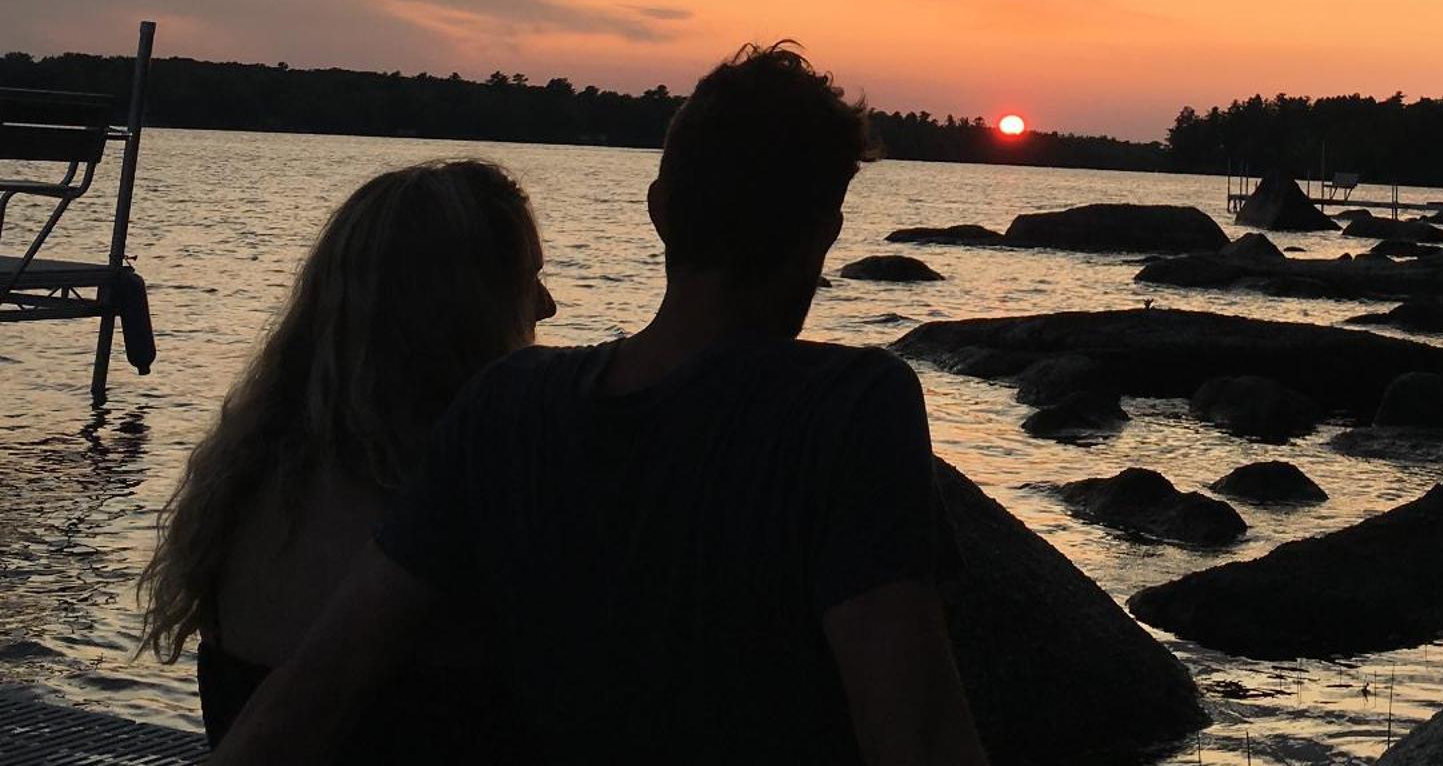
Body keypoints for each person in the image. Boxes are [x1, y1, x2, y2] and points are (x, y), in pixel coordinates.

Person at [212, 43, 987, 765]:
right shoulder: (849, 407)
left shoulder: (503, 403)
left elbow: (323, 679)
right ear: (826, 232)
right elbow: (916, 733)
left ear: (658, 209)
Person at [137, 159, 557, 761]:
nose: (548, 307)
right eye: (528, 279)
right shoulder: (442, 513)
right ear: (463, 310)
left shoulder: (253, 483)